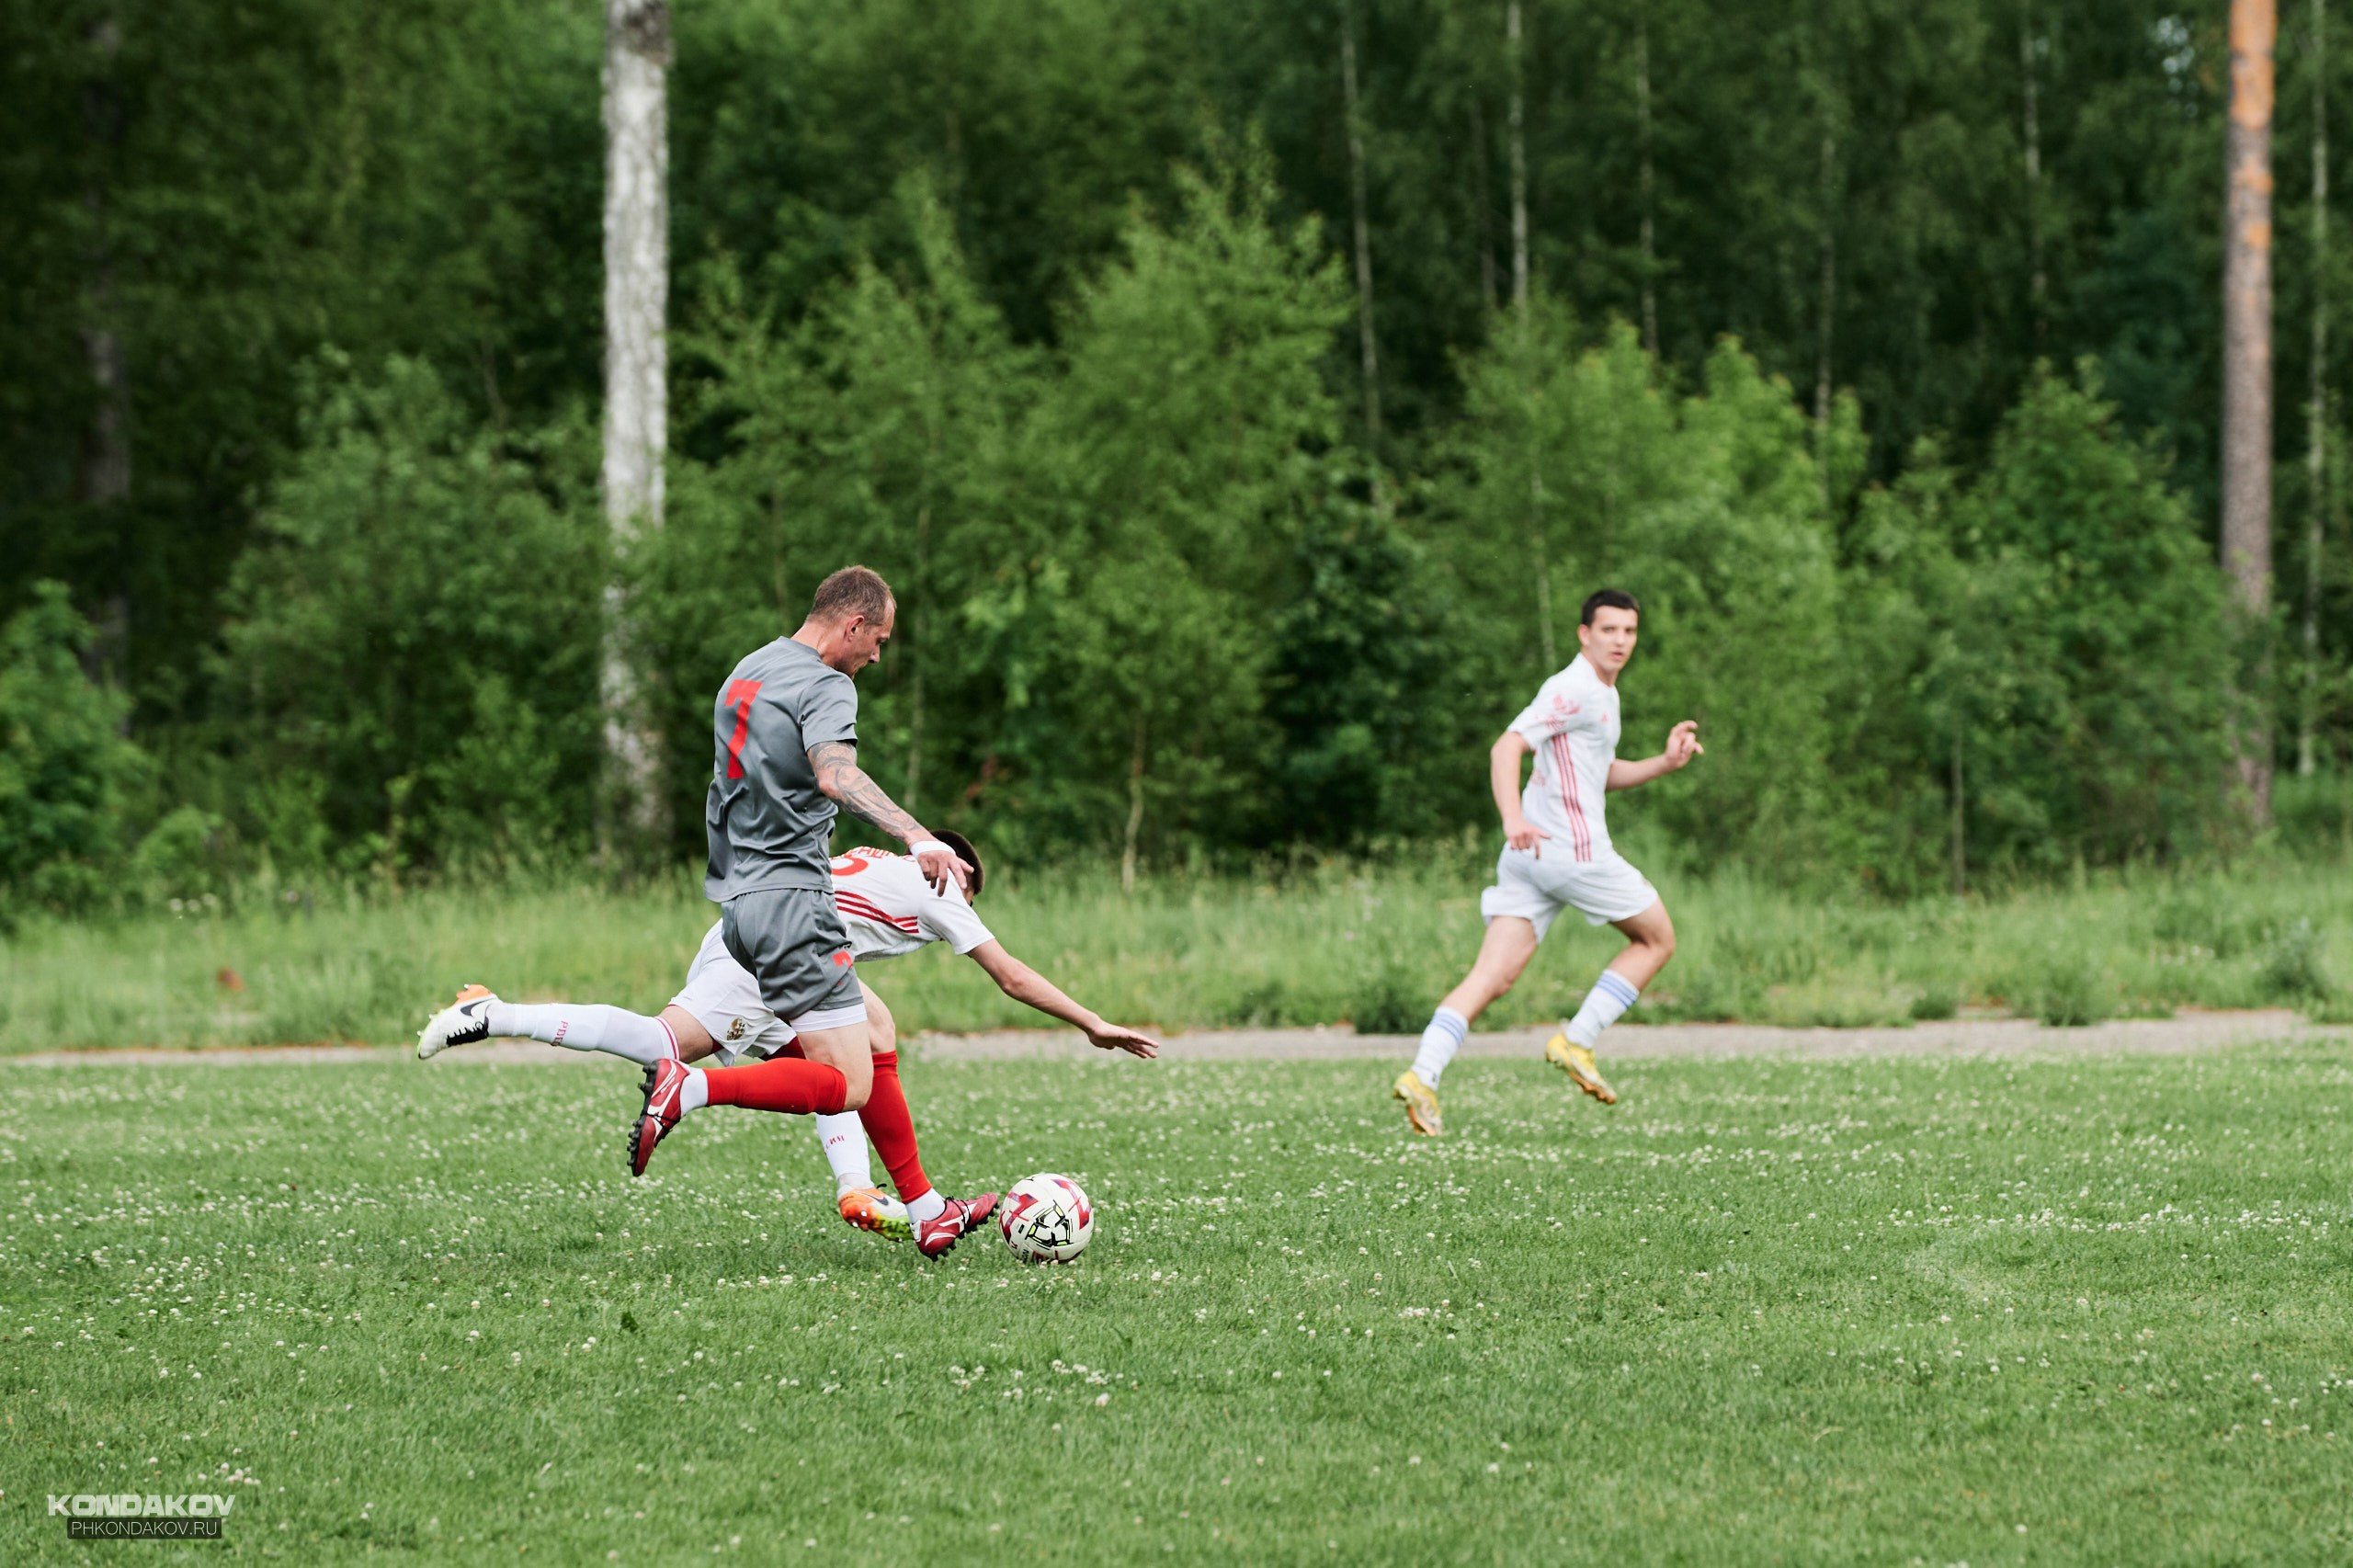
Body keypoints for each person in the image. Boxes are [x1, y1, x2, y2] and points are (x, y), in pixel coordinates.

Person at [415, 829, 1157, 1243]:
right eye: (970, 879)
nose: (967, 892)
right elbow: (1012, 977)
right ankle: (510, 1019)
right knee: (678, 1050)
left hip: (758, 931)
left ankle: (887, 1200)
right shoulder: (941, 886)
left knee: (862, 1035)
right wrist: (1092, 1023)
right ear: (954, 865)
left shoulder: (883, 861)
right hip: (782, 954)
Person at [1391, 588, 1701, 1135]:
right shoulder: (1574, 688)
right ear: (1585, 634)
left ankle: (1422, 1076)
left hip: (1529, 859)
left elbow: (1597, 773)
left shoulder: (1602, 694)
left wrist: (1663, 763)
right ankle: (1577, 1040)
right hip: (1569, 853)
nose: (1620, 641)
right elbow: (1506, 747)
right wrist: (1512, 817)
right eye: (1609, 630)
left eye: (1629, 631)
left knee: (1491, 977)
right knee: (1657, 940)